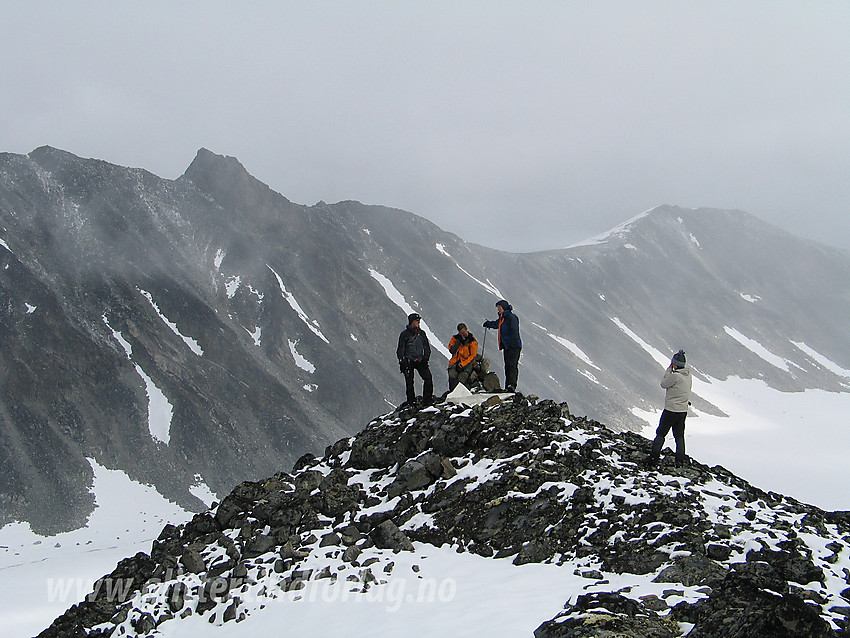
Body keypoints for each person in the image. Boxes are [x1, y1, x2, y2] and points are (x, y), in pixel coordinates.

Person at [646, 350, 692, 467]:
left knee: (661, 433)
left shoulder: (675, 376)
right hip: (683, 411)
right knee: (679, 436)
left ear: (675, 364)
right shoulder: (688, 376)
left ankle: (653, 458)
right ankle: (679, 461)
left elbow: (664, 384)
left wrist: (668, 370)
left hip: (671, 410)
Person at [483, 299, 522, 392]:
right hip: (507, 346)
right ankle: (508, 386)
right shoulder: (503, 318)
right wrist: (488, 324)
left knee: (512, 366)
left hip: (513, 346)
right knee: (508, 366)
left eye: (499, 307)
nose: (498, 309)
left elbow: (514, 331)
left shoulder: (511, 317)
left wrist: (513, 344)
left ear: (504, 308)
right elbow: (497, 324)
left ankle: (511, 386)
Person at [396, 313, 433, 406]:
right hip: (408, 361)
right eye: (417, 320)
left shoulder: (421, 333)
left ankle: (427, 400)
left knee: (428, 378)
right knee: (409, 382)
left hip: (420, 360)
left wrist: (425, 358)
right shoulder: (405, 334)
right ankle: (411, 401)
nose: (419, 322)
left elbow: (427, 347)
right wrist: (402, 361)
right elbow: (400, 349)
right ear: (412, 322)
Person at [447, 323, 478, 391]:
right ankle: (452, 392)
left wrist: (463, 365)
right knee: (452, 375)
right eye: (460, 333)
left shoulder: (472, 341)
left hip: (467, 362)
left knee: (462, 377)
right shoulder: (455, 338)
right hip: (455, 361)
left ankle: (459, 392)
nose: (462, 335)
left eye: (463, 333)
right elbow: (451, 350)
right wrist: (457, 343)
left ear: (466, 329)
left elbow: (473, 356)